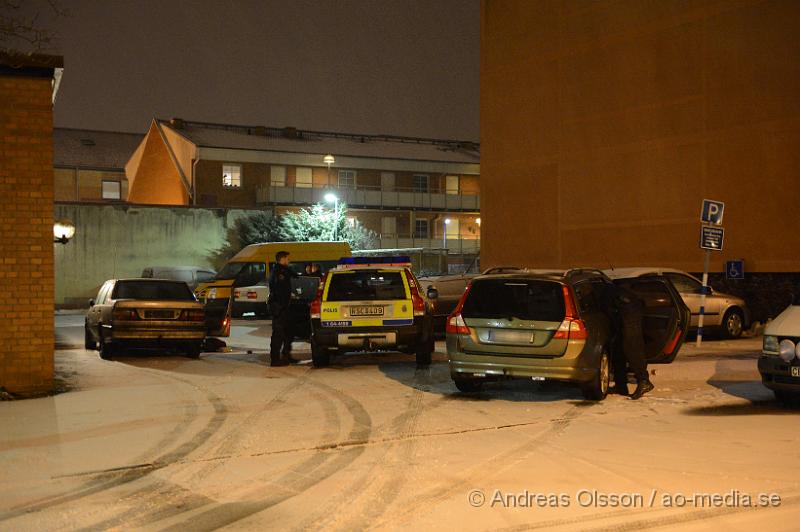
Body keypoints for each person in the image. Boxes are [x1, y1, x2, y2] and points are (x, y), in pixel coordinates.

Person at [603, 282, 654, 400]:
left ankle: (644, 381)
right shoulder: (604, 289)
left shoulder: (600, 294)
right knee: (618, 348)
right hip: (624, 311)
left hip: (629, 312)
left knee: (632, 346)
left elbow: (608, 312)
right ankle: (621, 386)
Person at [268, 251, 298, 366]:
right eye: (287, 258)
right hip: (279, 307)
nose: (289, 260)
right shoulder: (278, 272)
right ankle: (275, 359)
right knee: (278, 334)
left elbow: (295, 277)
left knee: (288, 332)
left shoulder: (284, 271)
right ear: (282, 259)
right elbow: (279, 291)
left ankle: (286, 355)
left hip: (285, 307)